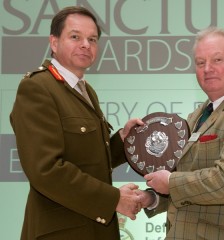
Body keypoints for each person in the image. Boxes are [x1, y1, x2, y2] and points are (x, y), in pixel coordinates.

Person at [10, 6, 143, 240]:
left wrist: (123, 139)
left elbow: (89, 160)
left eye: (92, 39)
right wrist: (114, 199)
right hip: (62, 231)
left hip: (93, 228)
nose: (85, 44)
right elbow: (46, 170)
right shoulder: (38, 87)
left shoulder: (84, 90)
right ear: (54, 42)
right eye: (75, 37)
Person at [138, 26, 224, 240]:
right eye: (200, 63)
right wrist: (151, 199)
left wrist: (171, 182)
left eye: (217, 60)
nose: (207, 68)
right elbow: (188, 182)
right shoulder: (196, 116)